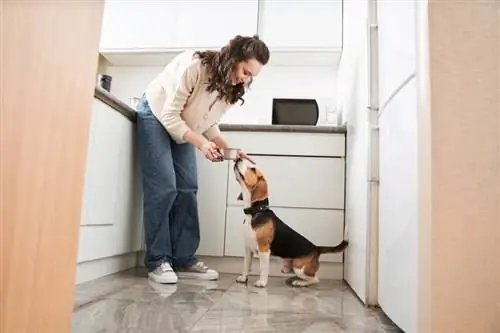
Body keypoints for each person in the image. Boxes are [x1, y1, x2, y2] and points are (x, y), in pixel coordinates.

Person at [136, 35, 270, 284]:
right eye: (245, 71)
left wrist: (229, 149)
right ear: (234, 58)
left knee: (188, 188)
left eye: (252, 76)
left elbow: (206, 122)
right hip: (155, 114)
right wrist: (201, 144)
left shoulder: (232, 88)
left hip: (182, 123)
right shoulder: (195, 67)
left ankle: (184, 259)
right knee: (164, 187)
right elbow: (170, 115)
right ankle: (159, 261)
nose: (246, 79)